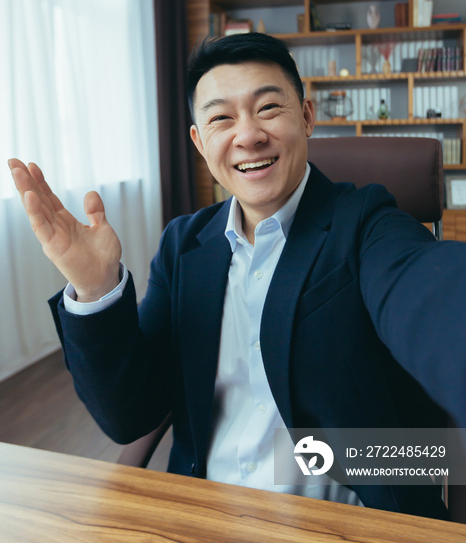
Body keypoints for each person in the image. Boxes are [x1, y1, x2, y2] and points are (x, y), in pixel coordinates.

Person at [8, 33, 466, 520]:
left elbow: (429, 293)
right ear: (199, 141)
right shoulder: (185, 245)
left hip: (342, 524)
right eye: (222, 117)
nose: (248, 135)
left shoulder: (366, 222)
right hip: (202, 515)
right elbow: (130, 416)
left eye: (268, 108)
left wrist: (354, 460)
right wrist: (96, 289)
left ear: (307, 117)